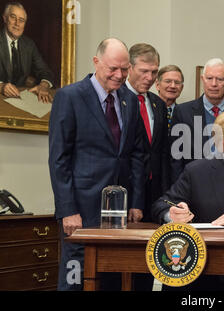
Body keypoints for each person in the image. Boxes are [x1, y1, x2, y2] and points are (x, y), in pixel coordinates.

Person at [49, 38, 146, 290]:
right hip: (81, 209)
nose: (119, 75)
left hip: (119, 211)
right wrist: (67, 209)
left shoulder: (129, 100)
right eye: (113, 68)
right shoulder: (69, 97)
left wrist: (136, 203)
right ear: (96, 62)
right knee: (76, 274)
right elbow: (59, 159)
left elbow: (136, 155)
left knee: (114, 274)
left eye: (124, 69)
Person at [169, 58, 224, 183]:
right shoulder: (183, 112)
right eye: (209, 78)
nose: (214, 84)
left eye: (220, 79)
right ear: (202, 80)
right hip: (194, 185)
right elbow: (176, 159)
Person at [125, 43, 170, 221]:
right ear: (129, 67)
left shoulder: (158, 104)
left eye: (154, 72)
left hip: (155, 192)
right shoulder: (117, 100)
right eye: (144, 71)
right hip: (126, 188)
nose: (149, 77)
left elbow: (163, 151)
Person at [0, 2, 54, 102]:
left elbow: (45, 71)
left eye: (21, 20)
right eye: (13, 17)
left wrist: (44, 85)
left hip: (21, 99)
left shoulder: (29, 44)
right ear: (5, 18)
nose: (17, 23)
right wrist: (1, 86)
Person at [155, 64, 184, 129]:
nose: (173, 86)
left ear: (181, 88)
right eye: (168, 81)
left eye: (177, 82)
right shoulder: (148, 110)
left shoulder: (185, 114)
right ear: (157, 85)